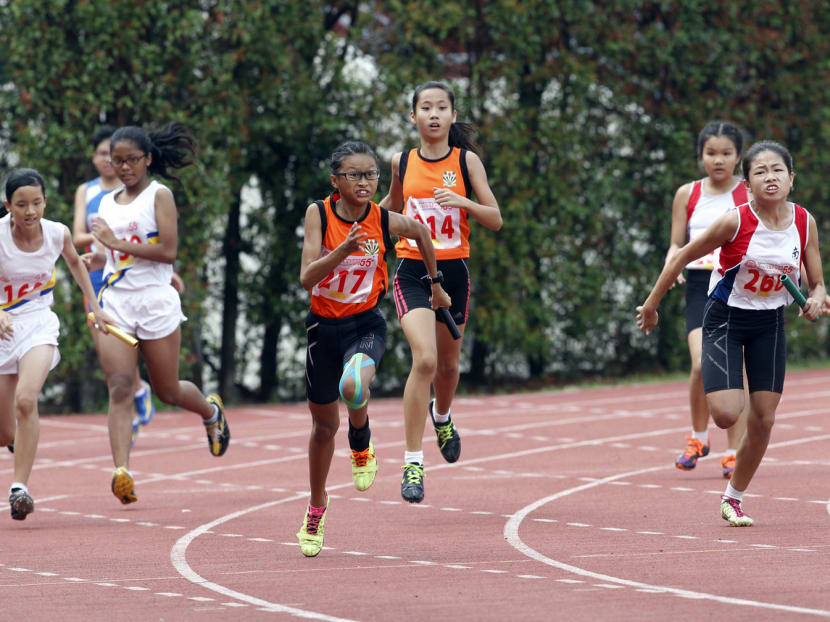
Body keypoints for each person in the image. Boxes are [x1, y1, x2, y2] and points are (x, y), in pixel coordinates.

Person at [637, 140, 826, 526]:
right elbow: (682, 257)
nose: (770, 177)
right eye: (760, 172)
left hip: (770, 322)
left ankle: (733, 498)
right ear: (749, 183)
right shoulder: (733, 221)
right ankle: (723, 383)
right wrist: (652, 305)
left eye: (777, 170)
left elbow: (817, 282)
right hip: (725, 318)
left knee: (765, 419)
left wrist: (818, 298)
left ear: (791, 178)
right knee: (725, 414)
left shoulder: (804, 222)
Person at [297, 141, 450, 557]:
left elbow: (420, 232)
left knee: (353, 386)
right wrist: (341, 252)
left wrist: (435, 285)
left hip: (365, 325)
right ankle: (317, 505)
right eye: (354, 175)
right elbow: (307, 277)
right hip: (322, 330)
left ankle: (361, 441)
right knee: (323, 428)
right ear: (336, 181)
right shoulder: (319, 214)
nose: (364, 182)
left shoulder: (382, 219)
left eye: (371, 175)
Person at [83, 122, 230, 505]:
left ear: (147, 159)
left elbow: (167, 252)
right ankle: (122, 473)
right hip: (116, 301)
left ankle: (210, 411)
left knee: (167, 390)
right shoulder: (103, 203)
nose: (125, 167)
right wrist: (100, 256)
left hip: (155, 300)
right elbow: (115, 253)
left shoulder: (159, 196)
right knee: (119, 387)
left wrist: (116, 244)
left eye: (132, 160)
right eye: (118, 161)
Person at [379, 81, 502, 503]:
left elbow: (495, 219)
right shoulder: (401, 162)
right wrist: (354, 227)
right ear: (412, 117)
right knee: (426, 360)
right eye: (425, 108)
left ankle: (442, 416)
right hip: (412, 269)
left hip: (454, 271)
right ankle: (413, 461)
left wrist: (461, 202)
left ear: (452, 116)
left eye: (441, 107)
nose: (433, 114)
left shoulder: (467, 162)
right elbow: (389, 209)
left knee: (449, 369)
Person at [0, 168, 114, 520]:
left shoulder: (57, 233)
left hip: (37, 323)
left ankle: (19, 488)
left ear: (46, 202)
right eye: (21, 205)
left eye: (37, 203)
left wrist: (97, 308)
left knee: (26, 399)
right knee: (4, 431)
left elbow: (77, 267)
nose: (30, 211)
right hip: (3, 328)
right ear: (8, 206)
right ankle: (18, 442)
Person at [665, 121, 749, 478]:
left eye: (726, 153)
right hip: (700, 286)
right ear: (700, 156)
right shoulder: (688, 194)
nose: (718, 160)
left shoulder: (748, 193)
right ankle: (699, 437)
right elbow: (675, 242)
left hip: (737, 284)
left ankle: (735, 451)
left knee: (735, 368)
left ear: (738, 157)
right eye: (711, 153)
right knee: (700, 364)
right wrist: (673, 263)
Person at [72, 125, 161, 446]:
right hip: (95, 275)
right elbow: (77, 235)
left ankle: (138, 394)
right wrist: (106, 240)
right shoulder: (88, 191)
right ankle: (134, 398)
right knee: (109, 356)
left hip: (129, 271)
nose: (106, 161)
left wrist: (115, 241)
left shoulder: (137, 194)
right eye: (101, 154)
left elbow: (152, 239)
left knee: (129, 349)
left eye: (110, 155)